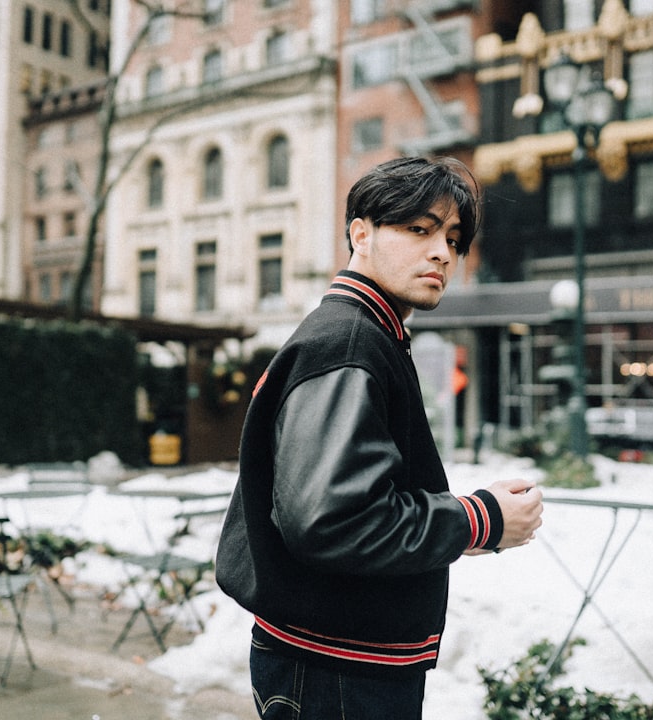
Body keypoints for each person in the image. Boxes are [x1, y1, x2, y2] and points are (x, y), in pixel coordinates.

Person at [215, 156, 544, 720]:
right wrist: (479, 519)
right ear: (360, 234)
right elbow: (334, 520)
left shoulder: (367, 335)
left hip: (338, 659)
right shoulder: (349, 342)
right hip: (335, 670)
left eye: (454, 238)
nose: (442, 252)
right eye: (419, 229)